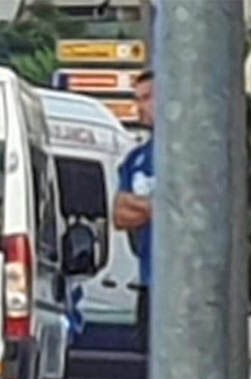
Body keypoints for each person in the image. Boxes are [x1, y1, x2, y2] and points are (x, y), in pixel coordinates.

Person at [114, 70, 155, 329]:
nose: (140, 107)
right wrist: (153, 207)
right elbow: (119, 214)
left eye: (148, 97)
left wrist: (140, 207)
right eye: (137, 99)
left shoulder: (191, 152)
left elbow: (181, 211)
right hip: (149, 283)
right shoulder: (136, 159)